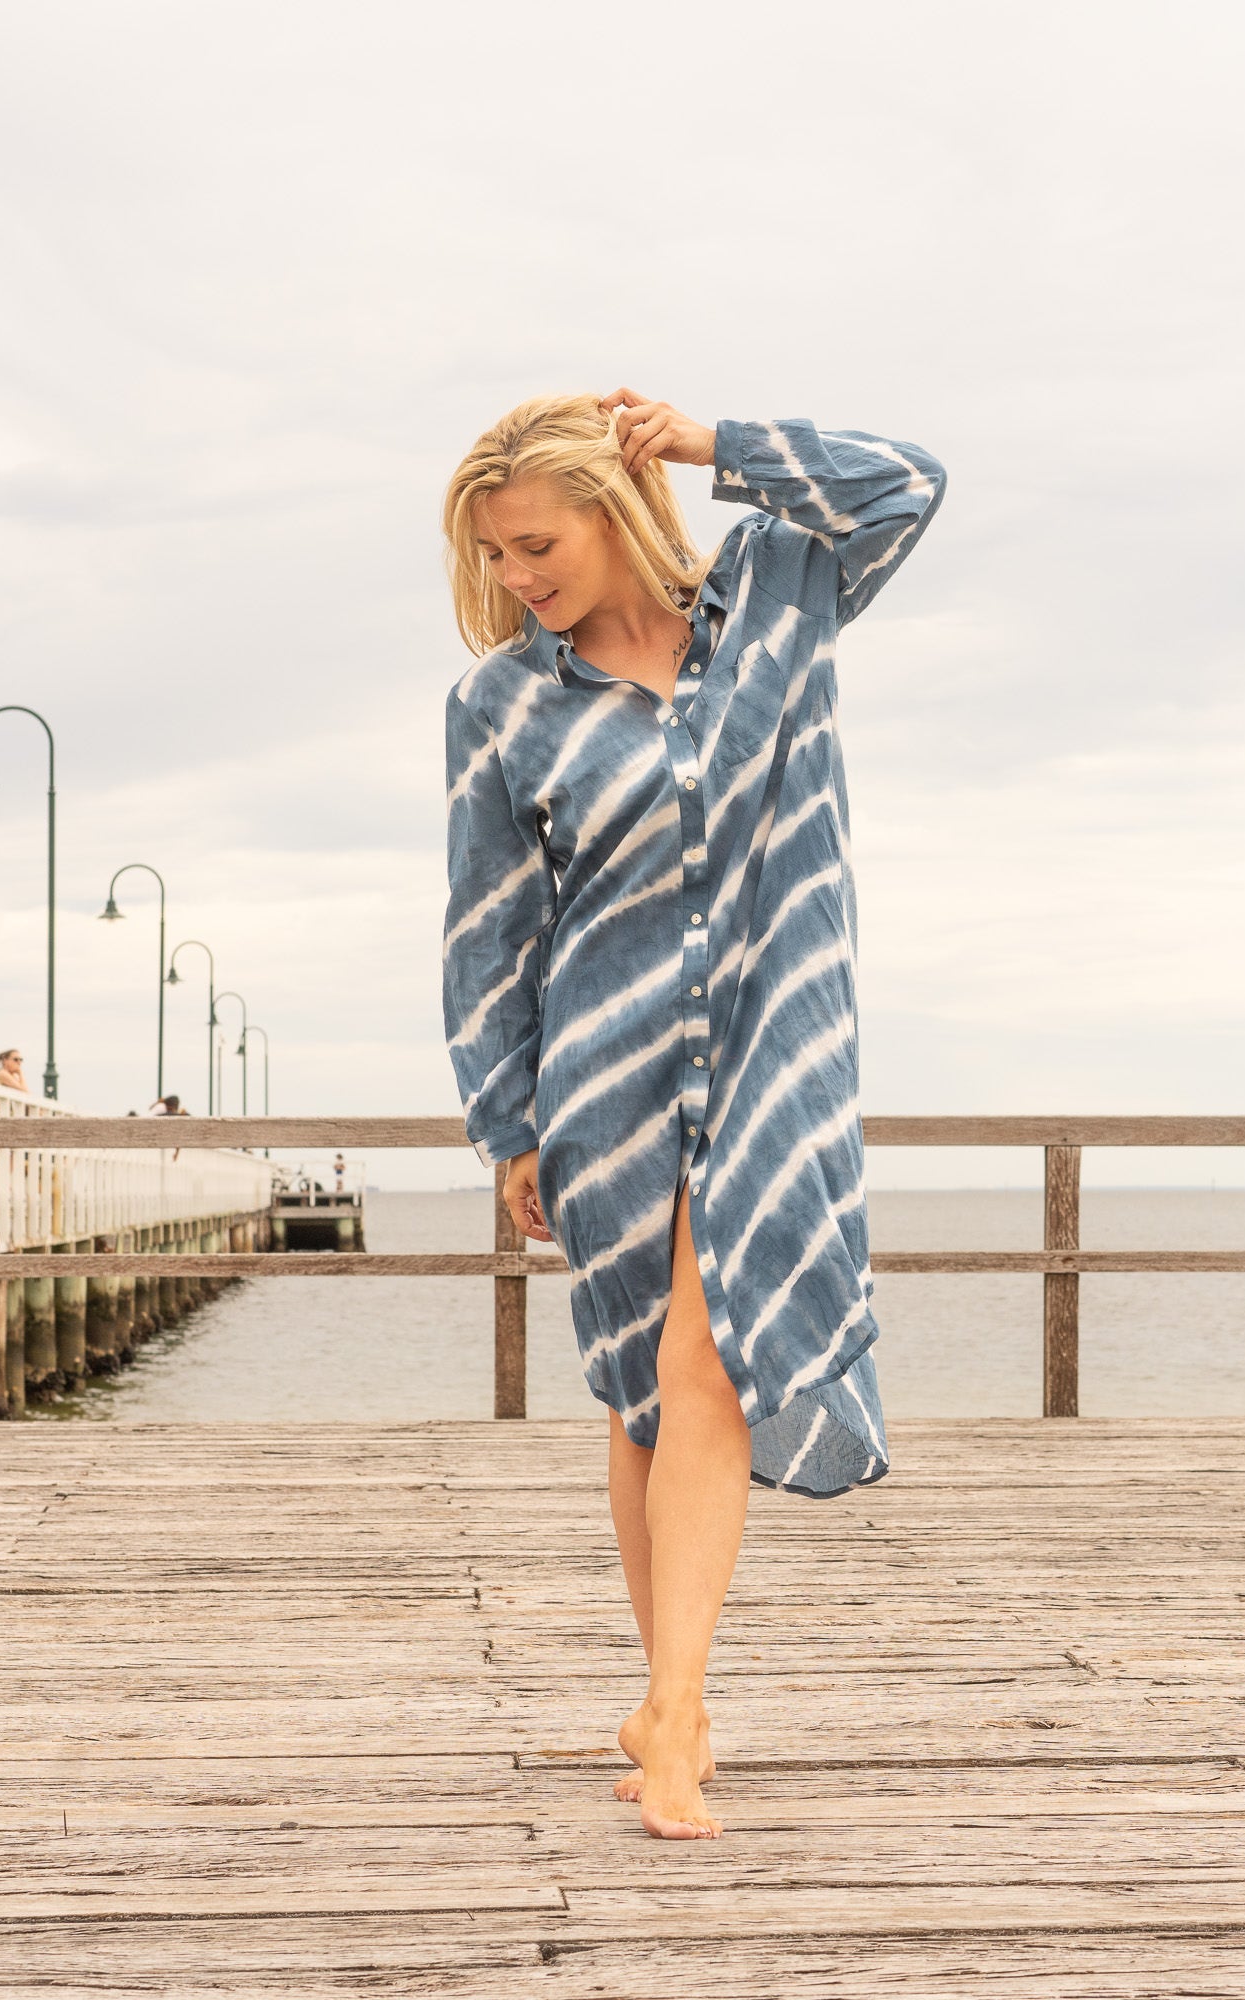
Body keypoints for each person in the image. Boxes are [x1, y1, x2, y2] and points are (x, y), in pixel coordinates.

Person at [440, 389, 944, 1839]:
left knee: (708, 1350)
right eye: (498, 559)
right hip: (604, 1073)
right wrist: (507, 1120)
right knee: (651, 1393)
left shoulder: (780, 596)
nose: (519, 578)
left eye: (536, 543)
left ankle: (669, 1712)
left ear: (609, 505)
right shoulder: (503, 704)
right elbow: (492, 924)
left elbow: (910, 481)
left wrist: (710, 443)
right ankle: (678, 1700)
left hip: (780, 1061)